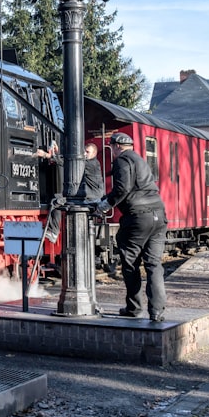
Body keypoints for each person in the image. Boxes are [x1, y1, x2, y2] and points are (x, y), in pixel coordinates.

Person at [97, 132, 168, 322]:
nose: (111, 151)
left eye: (111, 148)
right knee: (154, 264)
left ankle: (134, 308)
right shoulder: (140, 159)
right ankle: (157, 311)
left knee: (130, 263)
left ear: (117, 146)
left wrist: (103, 205)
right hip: (159, 215)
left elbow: (122, 189)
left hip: (138, 217)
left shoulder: (122, 160)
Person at [40, 141, 104, 244]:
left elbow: (70, 164)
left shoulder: (91, 164)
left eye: (87, 152)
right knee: (57, 198)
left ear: (94, 154)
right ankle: (53, 230)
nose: (84, 154)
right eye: (84, 152)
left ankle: (53, 232)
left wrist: (48, 156)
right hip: (88, 193)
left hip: (91, 195)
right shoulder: (89, 163)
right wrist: (57, 154)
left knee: (57, 201)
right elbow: (72, 161)